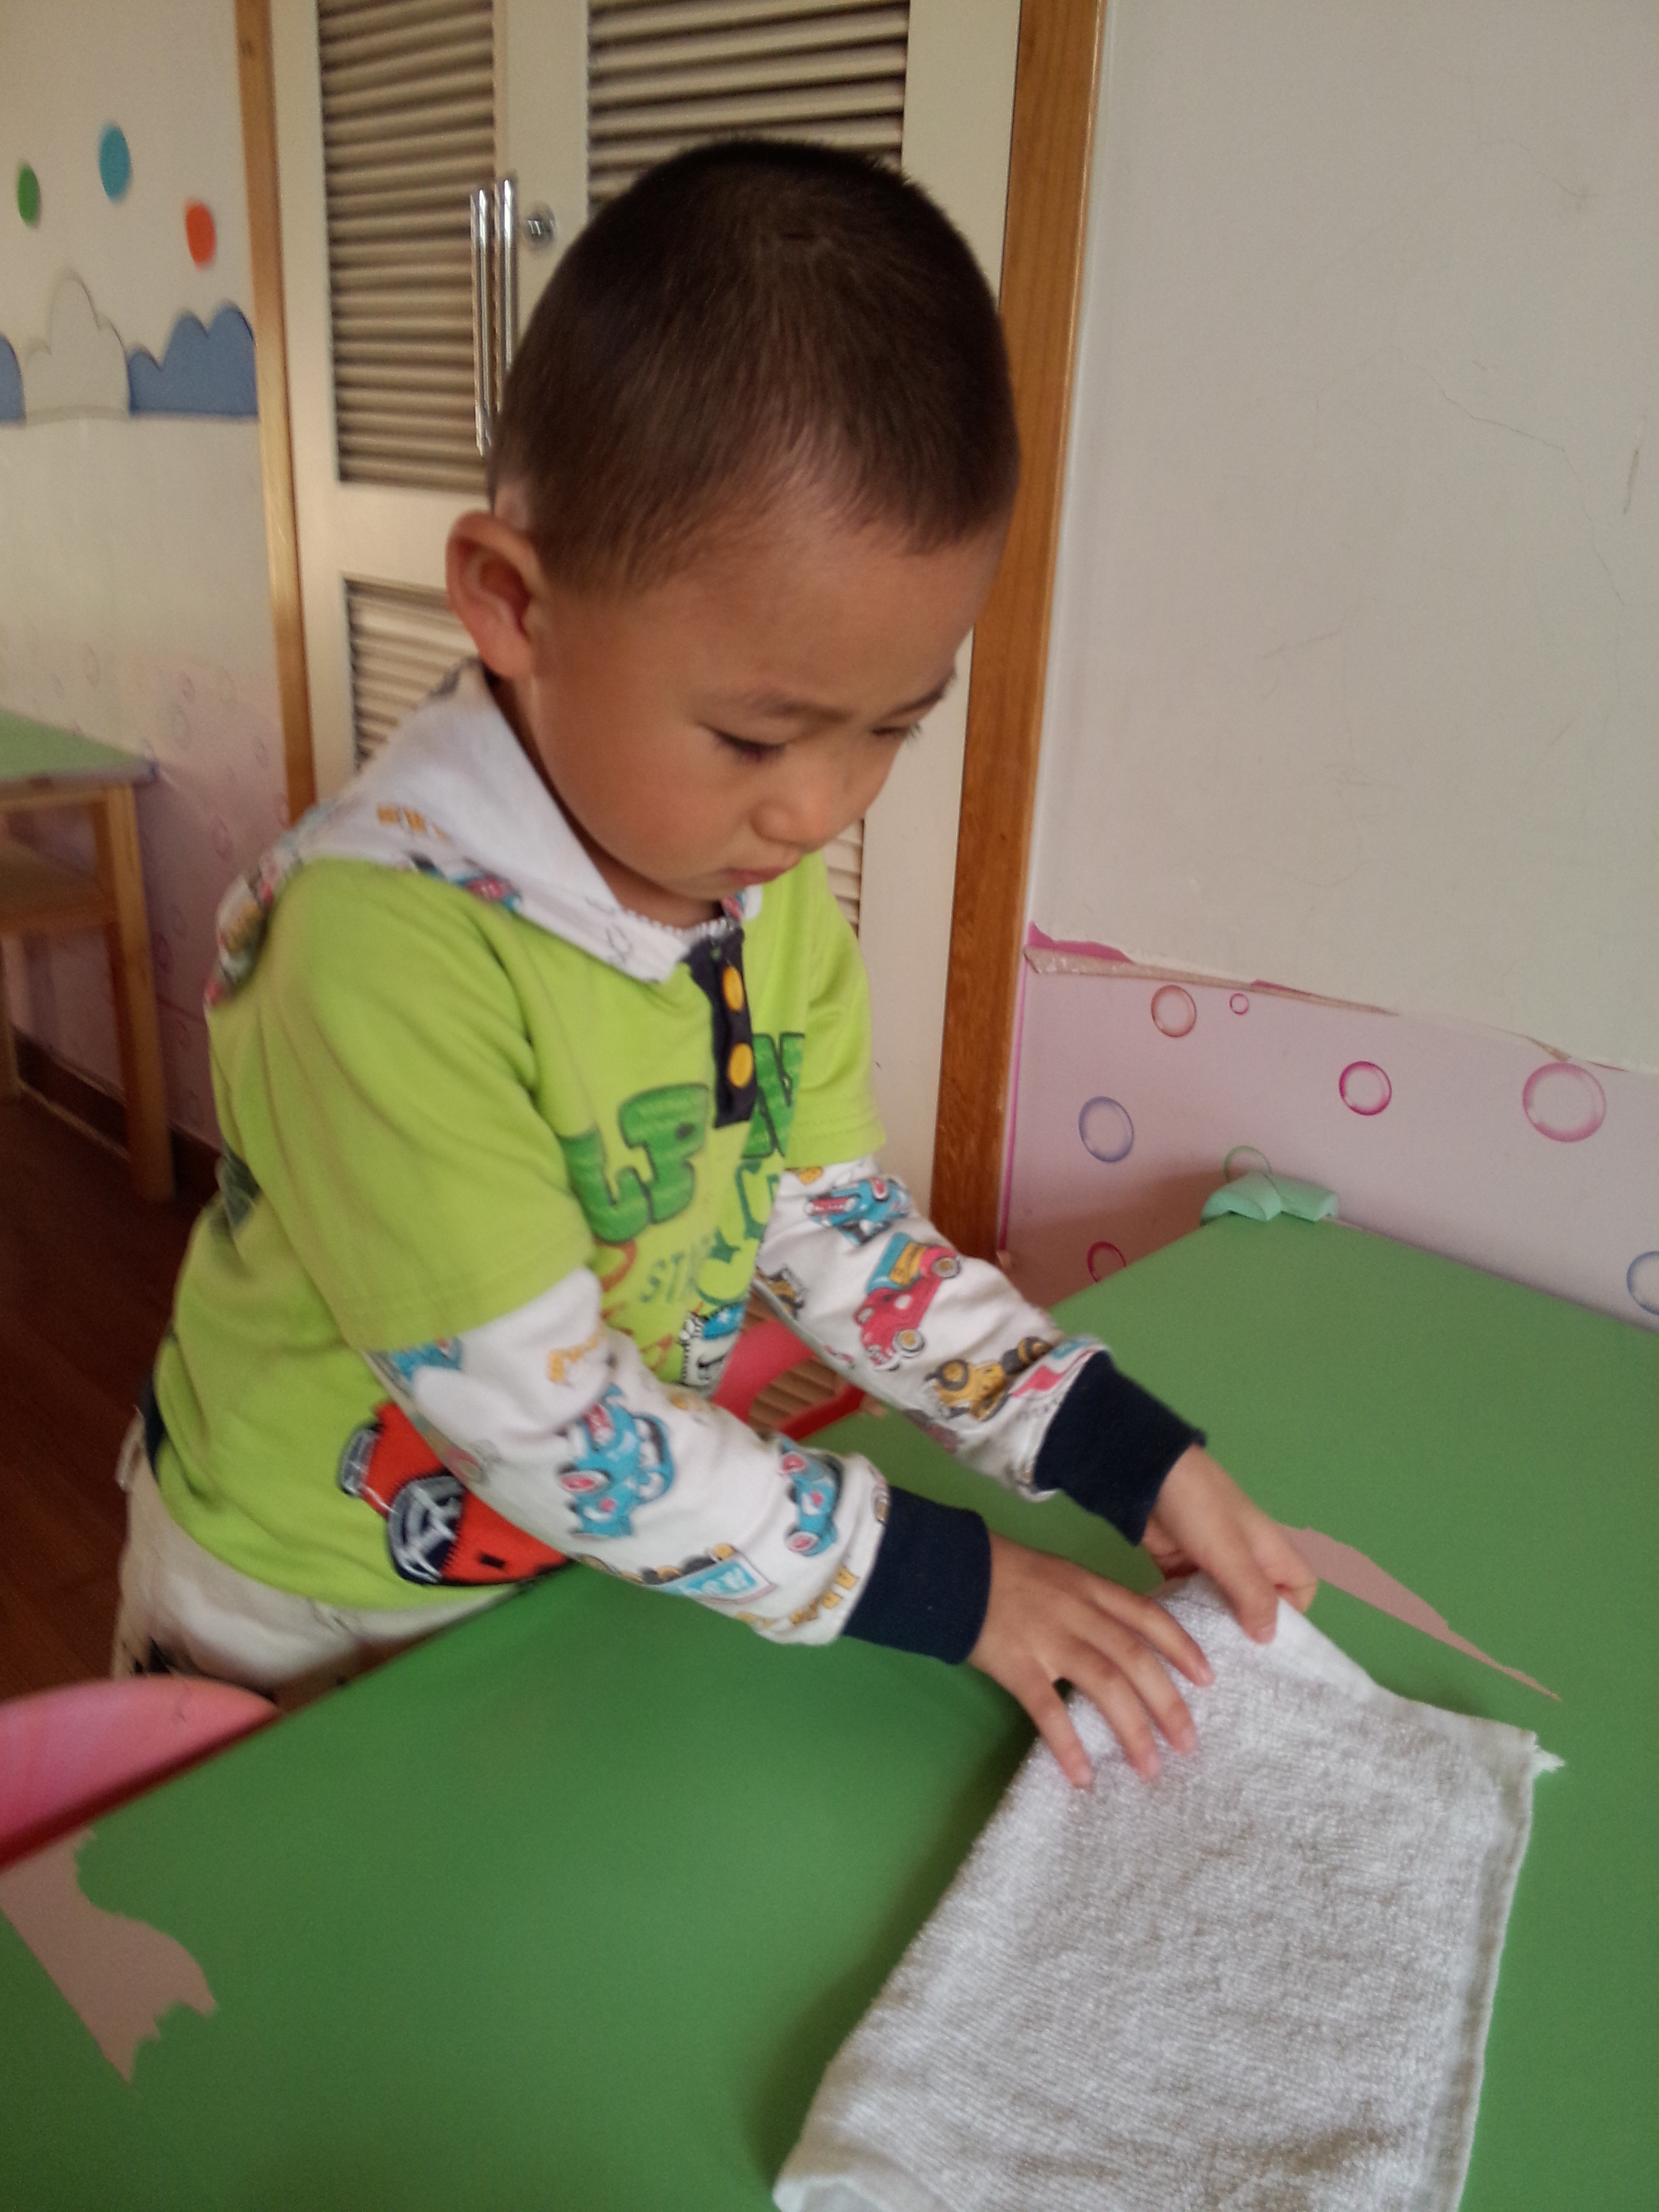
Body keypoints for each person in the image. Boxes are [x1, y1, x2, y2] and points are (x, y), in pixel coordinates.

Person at [114, 140, 1313, 1783]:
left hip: (570, 1579)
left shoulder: (748, 883)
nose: (820, 808)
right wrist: (947, 1584)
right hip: (301, 1611)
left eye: (890, 727)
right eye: (756, 735)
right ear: (512, 603)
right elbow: (548, 1422)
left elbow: (834, 1232)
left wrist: (1117, 1447)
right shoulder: (377, 954)